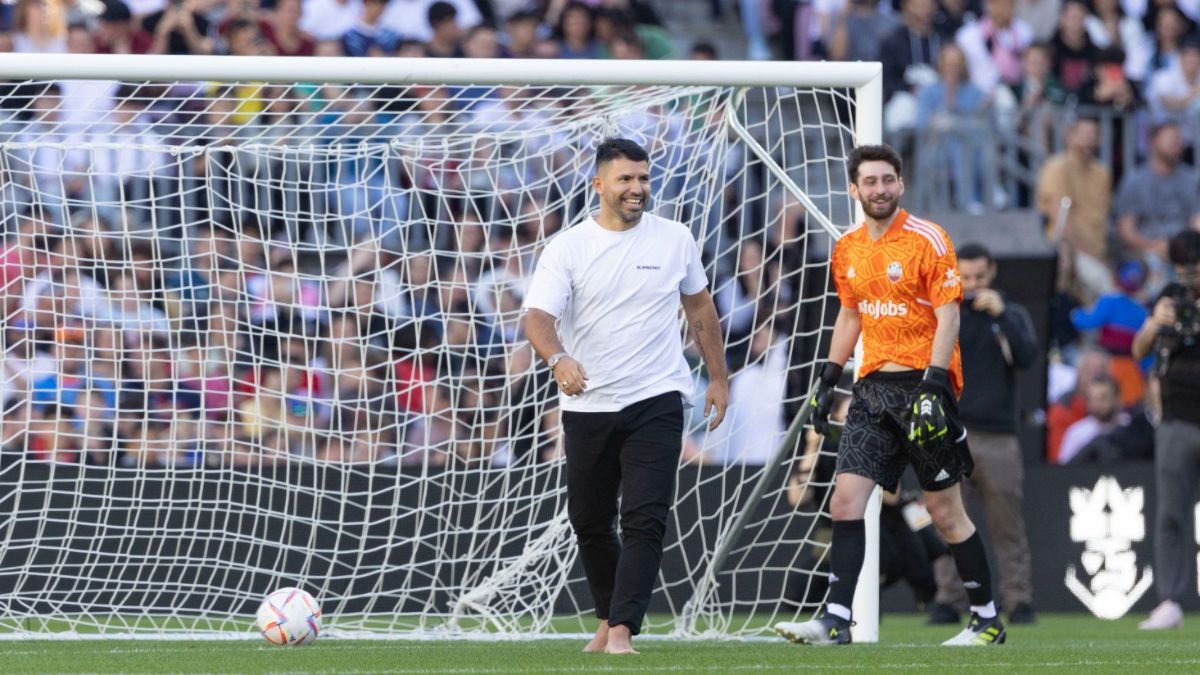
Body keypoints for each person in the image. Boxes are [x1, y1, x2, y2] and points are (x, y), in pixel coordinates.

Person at [774, 144, 1006, 646]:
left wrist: (935, 385)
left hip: (924, 388)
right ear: (853, 189)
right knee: (844, 501)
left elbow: (949, 314)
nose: (879, 189)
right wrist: (828, 377)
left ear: (900, 185)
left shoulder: (929, 238)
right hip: (872, 390)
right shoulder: (848, 248)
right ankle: (837, 619)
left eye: (887, 180)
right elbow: (850, 315)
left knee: (946, 513)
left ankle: (986, 618)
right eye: (870, 182)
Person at [522, 138, 729, 654]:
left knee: (645, 516)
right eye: (625, 179)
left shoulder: (675, 238)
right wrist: (559, 359)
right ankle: (608, 616)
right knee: (589, 519)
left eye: (642, 178)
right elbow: (537, 319)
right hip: (588, 403)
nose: (637, 188)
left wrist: (721, 379)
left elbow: (700, 311)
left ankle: (622, 631)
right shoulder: (567, 247)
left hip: (656, 397)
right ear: (599, 185)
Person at [928, 243, 1038, 626]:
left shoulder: (1010, 314)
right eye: (965, 277)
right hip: (950, 430)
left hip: (998, 436)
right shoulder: (945, 313)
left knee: (1007, 524)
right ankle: (948, 600)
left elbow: (1027, 357)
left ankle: (1019, 600)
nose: (972, 285)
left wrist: (1003, 315)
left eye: (978, 277)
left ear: (991, 272)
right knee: (947, 520)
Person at [1131, 229, 1200, 631]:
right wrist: (1155, 324)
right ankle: (1169, 600)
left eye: (1194, 267)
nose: (1189, 276)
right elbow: (1139, 351)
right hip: (1175, 420)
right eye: (1182, 268)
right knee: (1171, 515)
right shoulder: (1169, 296)